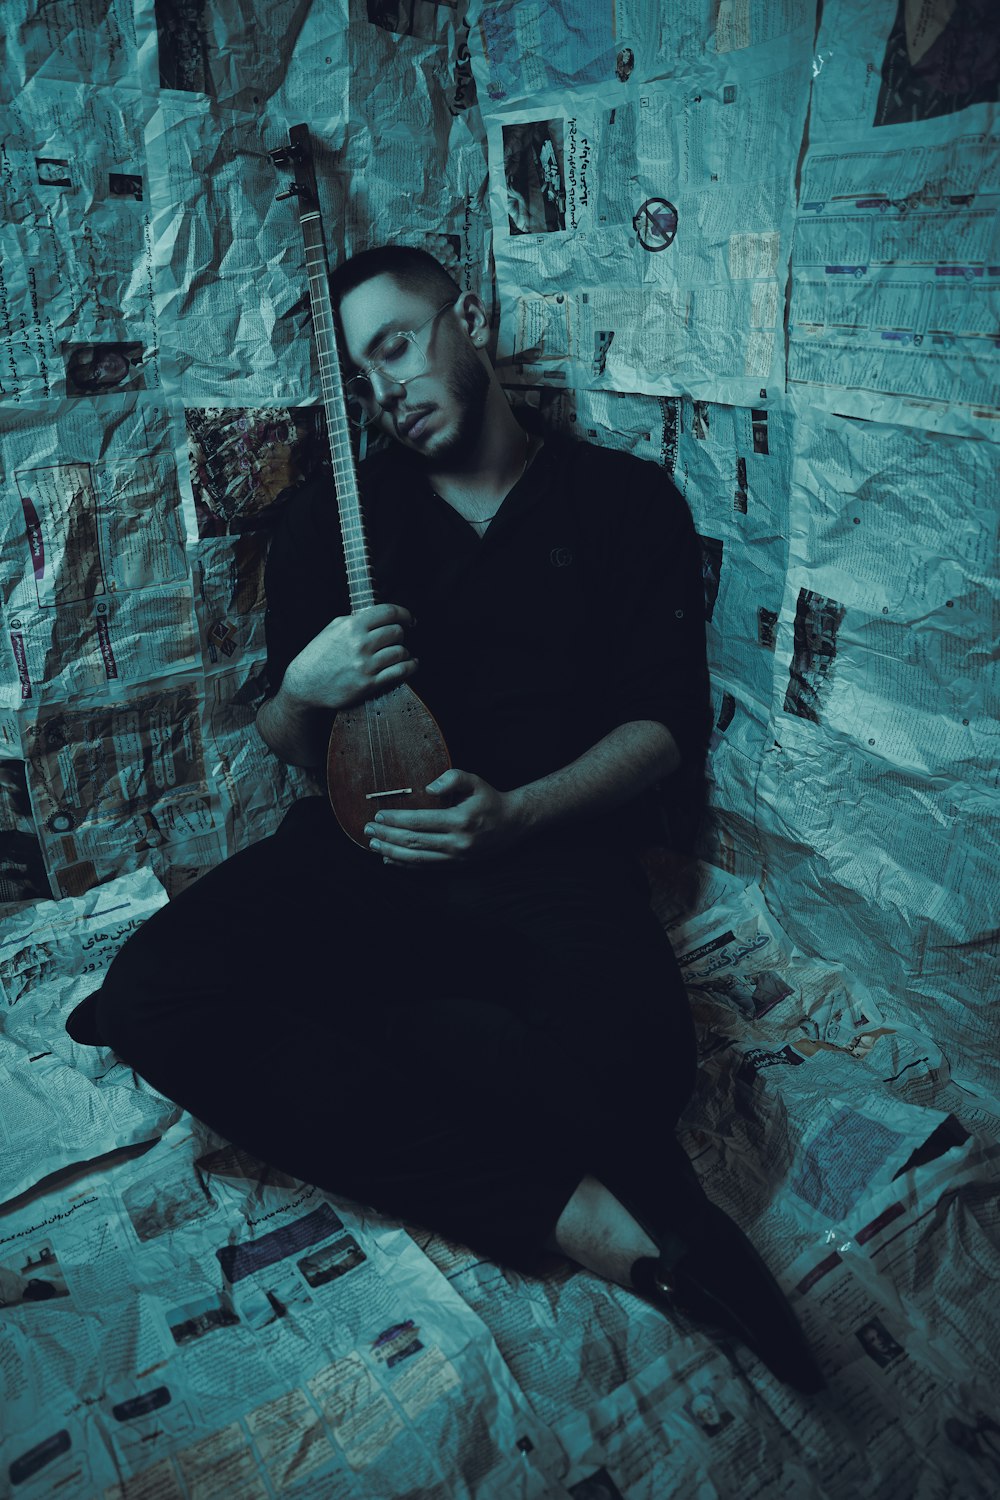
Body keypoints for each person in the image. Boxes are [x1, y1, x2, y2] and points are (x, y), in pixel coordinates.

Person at [67, 245, 822, 1394]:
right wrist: (302, 690)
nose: (389, 390)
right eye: (362, 379)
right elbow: (288, 743)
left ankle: (403, 1031)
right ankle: (568, 1213)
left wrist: (519, 813)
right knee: (147, 998)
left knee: (644, 1070)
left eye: (398, 348)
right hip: (362, 854)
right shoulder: (332, 518)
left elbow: (663, 726)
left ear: (465, 318)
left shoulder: (622, 502)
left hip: (550, 855)